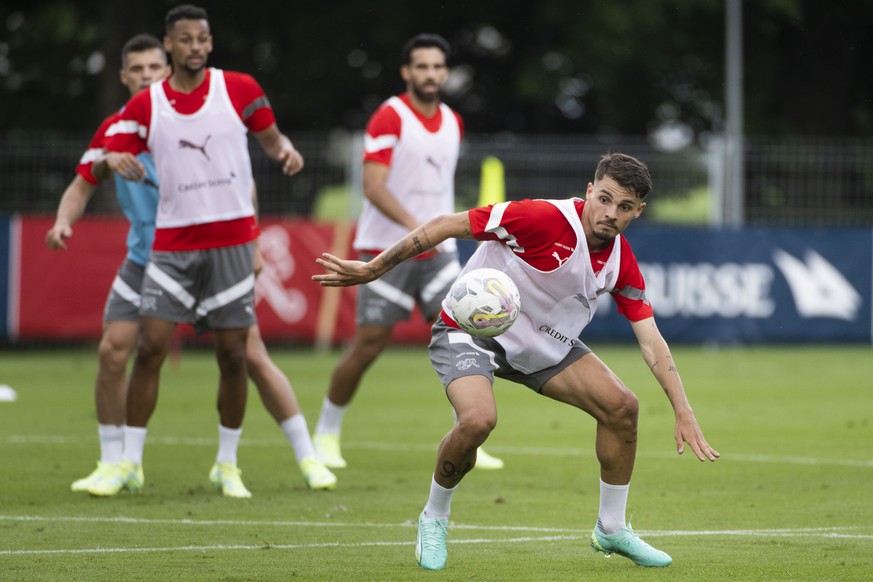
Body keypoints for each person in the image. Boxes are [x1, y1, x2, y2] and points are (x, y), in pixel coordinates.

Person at [313, 152, 720, 571]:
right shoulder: (541, 218)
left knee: (622, 408)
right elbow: (446, 224)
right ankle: (434, 518)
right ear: (589, 191)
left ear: (639, 211)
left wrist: (682, 409)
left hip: (543, 347)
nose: (610, 213)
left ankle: (612, 529)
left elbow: (652, 342)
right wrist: (374, 268)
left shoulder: (621, 262)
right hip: (470, 332)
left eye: (624, 207)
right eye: (605, 199)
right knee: (477, 421)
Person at [46, 32, 336, 497]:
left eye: (153, 68)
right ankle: (114, 463)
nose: (146, 77)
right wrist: (63, 222)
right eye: (136, 70)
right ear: (122, 77)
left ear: (169, 68)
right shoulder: (117, 129)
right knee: (113, 350)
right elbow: (83, 183)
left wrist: (254, 242)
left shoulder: (194, 113)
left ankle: (308, 456)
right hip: (149, 259)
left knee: (250, 357)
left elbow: (240, 182)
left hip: (220, 251)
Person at [311, 33, 504, 471]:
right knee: (369, 345)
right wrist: (416, 229)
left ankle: (468, 433)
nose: (431, 74)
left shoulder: (453, 121)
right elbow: (372, 187)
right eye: (422, 66)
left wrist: (437, 234)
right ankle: (325, 432)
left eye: (438, 66)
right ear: (407, 72)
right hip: (384, 253)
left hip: (440, 254)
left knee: (466, 337)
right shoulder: (390, 116)